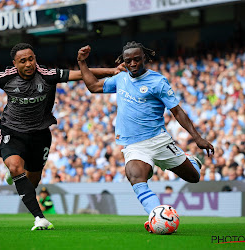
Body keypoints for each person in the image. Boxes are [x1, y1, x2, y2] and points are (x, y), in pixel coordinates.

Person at [0, 43, 123, 231]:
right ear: (15, 63)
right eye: (23, 61)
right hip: (13, 131)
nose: (29, 64)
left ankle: (18, 174)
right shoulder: (5, 77)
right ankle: (39, 218)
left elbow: (80, 74)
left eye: (31, 59)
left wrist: (112, 70)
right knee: (15, 167)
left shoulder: (47, 74)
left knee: (33, 181)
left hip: (40, 133)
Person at [77, 42, 214, 233]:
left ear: (145, 58)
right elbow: (93, 86)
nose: (132, 63)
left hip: (159, 141)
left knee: (193, 178)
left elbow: (178, 111)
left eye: (136, 59)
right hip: (134, 145)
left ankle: (192, 161)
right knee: (135, 176)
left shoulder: (158, 82)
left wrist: (197, 138)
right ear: (123, 62)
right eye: (128, 60)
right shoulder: (121, 79)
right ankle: (156, 217)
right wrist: (82, 62)